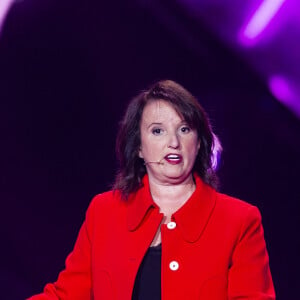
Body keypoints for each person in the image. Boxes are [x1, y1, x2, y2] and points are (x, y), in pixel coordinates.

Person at [28, 80, 275, 299]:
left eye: (184, 129)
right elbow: (67, 295)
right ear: (138, 147)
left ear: (199, 143)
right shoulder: (104, 211)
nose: (173, 143)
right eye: (158, 131)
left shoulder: (240, 221)